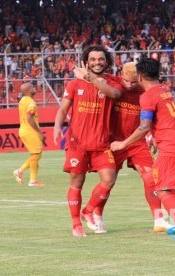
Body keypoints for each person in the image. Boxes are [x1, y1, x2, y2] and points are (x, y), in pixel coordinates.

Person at [111, 57, 175, 239]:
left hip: (172, 148)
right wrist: (155, 136)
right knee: (166, 186)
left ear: (140, 77)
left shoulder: (147, 96)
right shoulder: (164, 89)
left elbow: (143, 126)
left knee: (162, 188)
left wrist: (123, 143)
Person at [53, 45, 123, 237]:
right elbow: (63, 109)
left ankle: (88, 210)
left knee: (109, 180)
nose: (97, 62)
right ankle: (76, 223)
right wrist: (57, 126)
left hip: (102, 144)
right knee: (77, 182)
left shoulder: (113, 83)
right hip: (78, 143)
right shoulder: (75, 84)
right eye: (92, 59)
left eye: (100, 59)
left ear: (106, 61)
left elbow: (114, 95)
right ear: (86, 62)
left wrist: (90, 78)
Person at [96, 62, 173, 233]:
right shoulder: (113, 85)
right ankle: (97, 215)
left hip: (136, 142)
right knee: (108, 182)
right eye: (126, 81)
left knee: (150, 178)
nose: (130, 86)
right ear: (120, 74)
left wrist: (151, 134)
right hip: (113, 142)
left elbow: (151, 115)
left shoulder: (145, 91)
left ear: (139, 78)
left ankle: (158, 220)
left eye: (133, 82)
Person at [12, 82, 46, 187]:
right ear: (27, 91)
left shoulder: (23, 100)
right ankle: (31, 180)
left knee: (36, 154)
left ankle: (21, 172)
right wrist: (39, 132)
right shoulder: (31, 102)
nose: (34, 88)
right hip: (30, 131)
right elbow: (30, 118)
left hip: (24, 130)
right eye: (32, 87)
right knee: (36, 155)